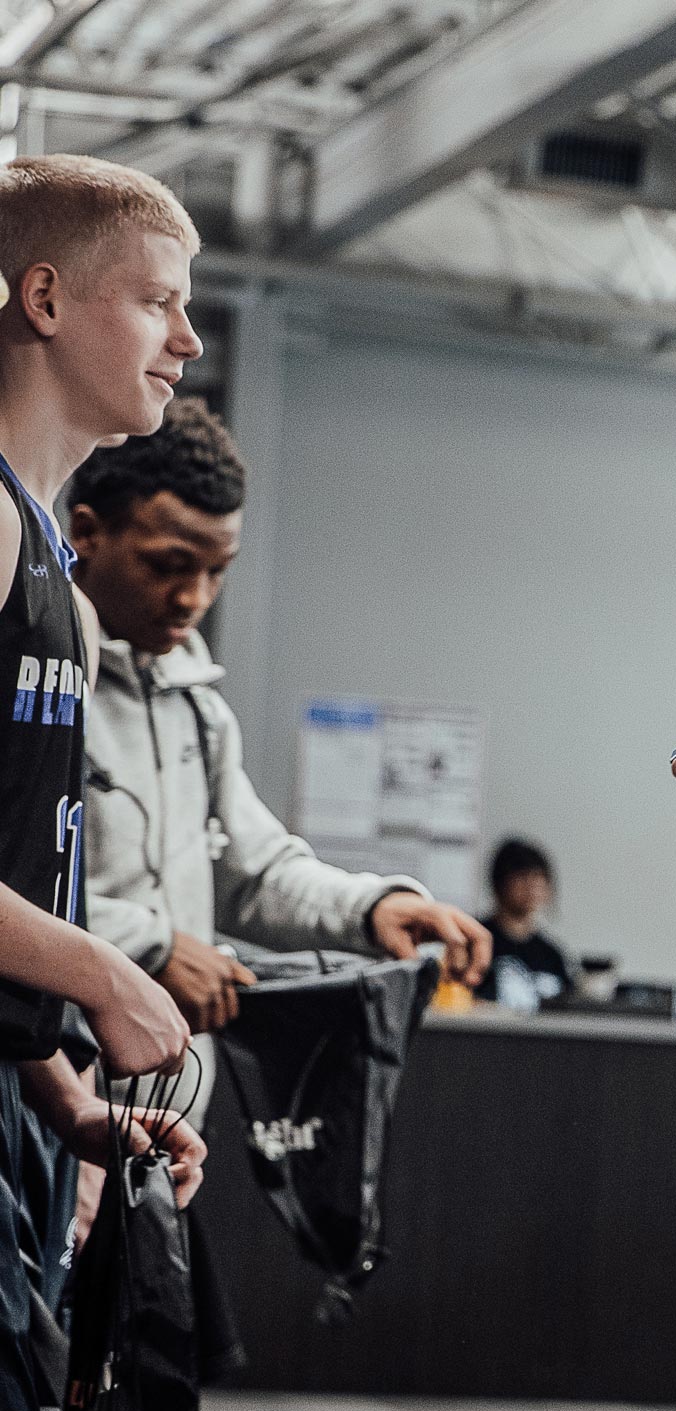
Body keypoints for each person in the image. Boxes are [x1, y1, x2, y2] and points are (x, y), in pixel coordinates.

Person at [69, 393, 491, 1130]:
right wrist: (150, 948)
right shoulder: (38, 683)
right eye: (169, 565)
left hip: (163, 1118)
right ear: (86, 533)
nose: (194, 597)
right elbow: (20, 885)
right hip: (42, 1106)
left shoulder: (198, 709)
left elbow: (257, 875)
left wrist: (373, 909)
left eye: (217, 571)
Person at [0, 152, 211, 1411]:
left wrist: (66, 1098)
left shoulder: (63, 593)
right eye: (157, 302)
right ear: (44, 299)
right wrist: (106, 974)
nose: (188, 340)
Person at [475, 837, 571, 1007]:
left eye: (538, 877)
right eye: (522, 876)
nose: (532, 885)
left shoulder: (551, 955)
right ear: (500, 883)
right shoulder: (477, 940)